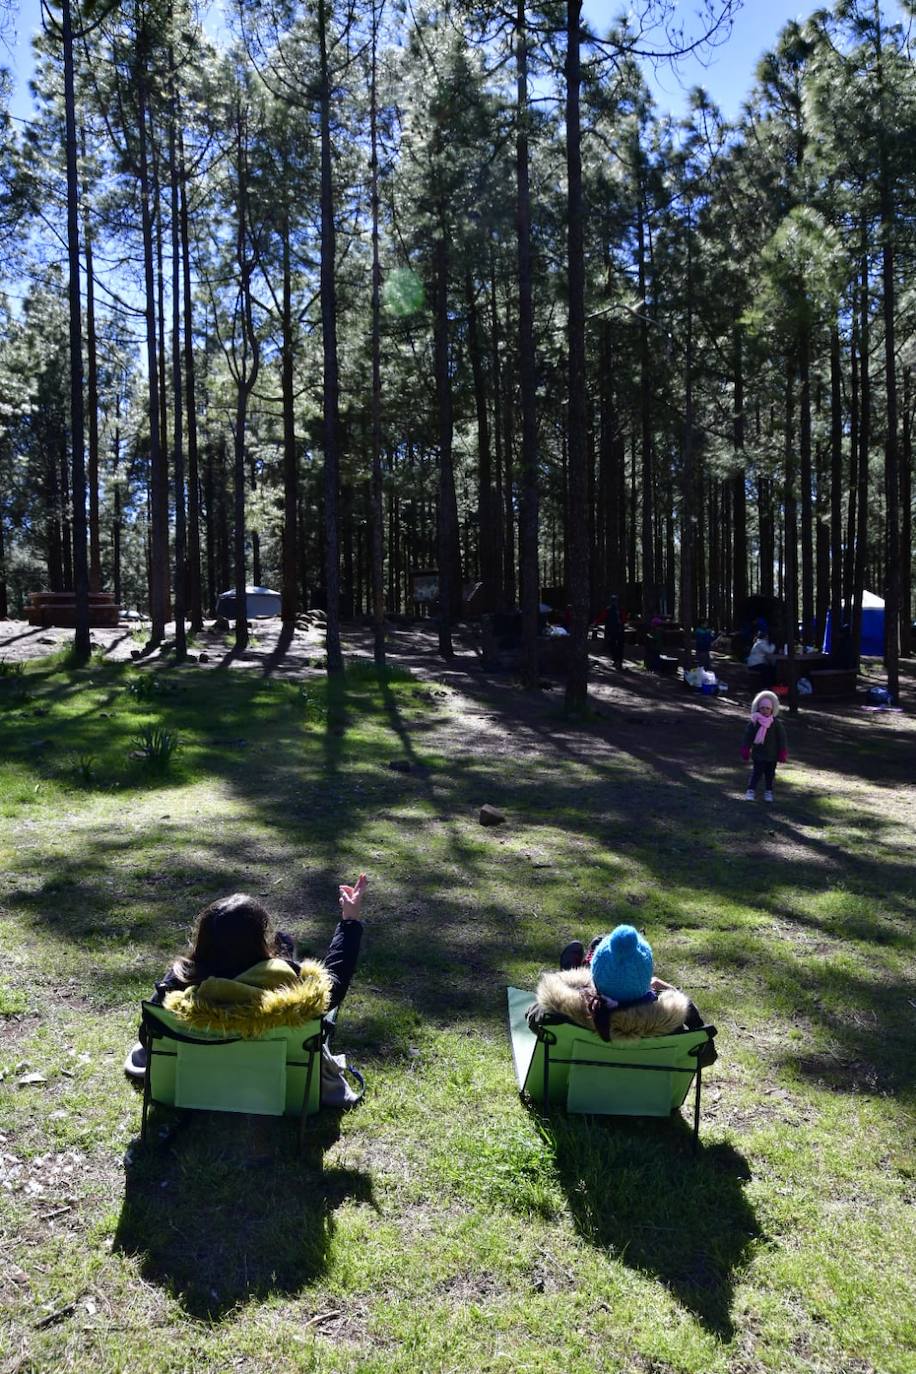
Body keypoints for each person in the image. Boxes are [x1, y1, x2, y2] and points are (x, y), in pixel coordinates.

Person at [123, 875, 367, 1078]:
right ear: (260, 941)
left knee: (284, 940)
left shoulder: (178, 985)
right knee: (285, 941)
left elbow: (147, 1036)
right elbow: (335, 979)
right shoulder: (293, 990)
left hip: (196, 1080)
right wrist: (349, 922)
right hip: (276, 1082)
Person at [527, 924, 713, 1051]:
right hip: (648, 1097)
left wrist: (567, 985)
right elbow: (704, 1055)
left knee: (570, 984)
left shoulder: (562, 1016)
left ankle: (575, 969)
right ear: (646, 977)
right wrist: (681, 1001)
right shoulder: (671, 1028)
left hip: (575, 1088)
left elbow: (532, 1016)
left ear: (595, 977)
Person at [741, 690, 788, 802]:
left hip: (772, 755)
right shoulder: (754, 721)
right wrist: (745, 748)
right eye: (762, 708)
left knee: (770, 774)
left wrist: (782, 751)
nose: (765, 710)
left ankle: (768, 791)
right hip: (759, 754)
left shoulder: (776, 723)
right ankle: (750, 791)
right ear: (758, 708)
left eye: (767, 708)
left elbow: (782, 738)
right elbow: (748, 736)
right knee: (757, 772)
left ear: (772, 709)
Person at [604, 595, 625, 670]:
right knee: (612, 645)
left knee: (619, 646)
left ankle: (619, 662)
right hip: (613, 630)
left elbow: (623, 619)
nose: (615, 602)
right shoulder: (609, 609)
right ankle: (616, 660)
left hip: (618, 630)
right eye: (614, 600)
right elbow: (605, 619)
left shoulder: (620, 609)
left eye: (615, 600)